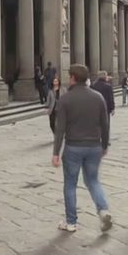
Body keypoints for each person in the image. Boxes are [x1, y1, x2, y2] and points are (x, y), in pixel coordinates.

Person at [52, 64, 112, 233]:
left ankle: (71, 222)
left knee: (70, 184)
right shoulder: (98, 97)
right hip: (94, 146)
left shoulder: (65, 99)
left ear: (72, 77)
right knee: (93, 181)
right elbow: (105, 124)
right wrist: (104, 144)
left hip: (73, 146)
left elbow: (60, 129)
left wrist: (56, 152)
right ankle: (103, 210)